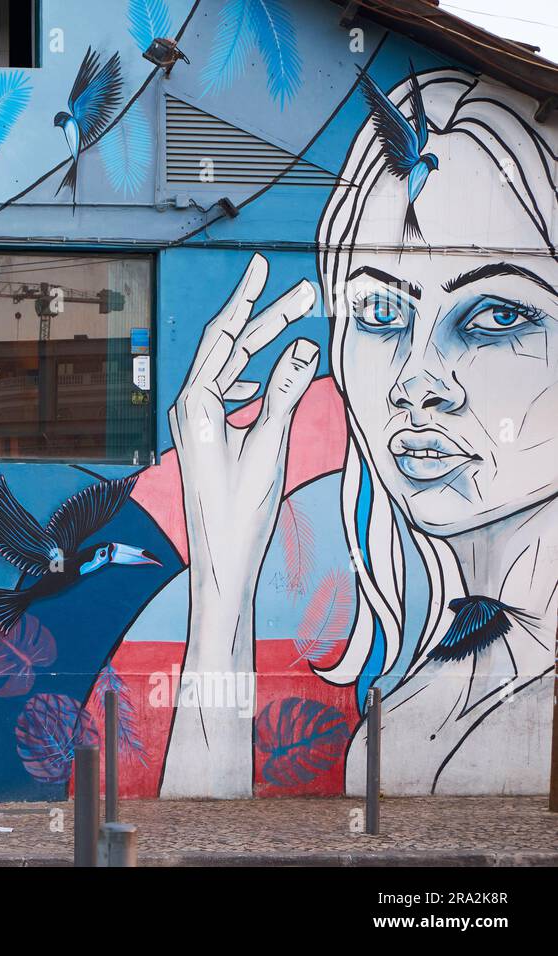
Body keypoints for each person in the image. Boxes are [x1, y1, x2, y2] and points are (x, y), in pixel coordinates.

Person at [162, 68, 557, 797]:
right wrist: (222, 586)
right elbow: (195, 842)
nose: (417, 380)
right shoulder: (404, 711)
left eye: (497, 316)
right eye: (379, 313)